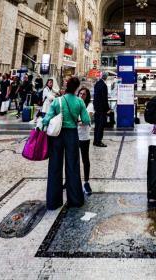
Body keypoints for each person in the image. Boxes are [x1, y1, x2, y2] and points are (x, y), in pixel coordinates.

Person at [42, 77, 91, 210]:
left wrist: (40, 127)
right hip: (71, 135)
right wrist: (78, 120)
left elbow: (47, 118)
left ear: (67, 86)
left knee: (55, 166)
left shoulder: (57, 101)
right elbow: (86, 119)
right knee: (73, 166)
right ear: (76, 88)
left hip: (56, 136)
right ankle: (75, 200)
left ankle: (53, 201)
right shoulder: (79, 101)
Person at [77, 87, 94, 195]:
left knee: (85, 159)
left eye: (84, 94)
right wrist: (80, 120)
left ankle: (86, 181)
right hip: (74, 135)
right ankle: (71, 180)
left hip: (84, 136)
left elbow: (87, 119)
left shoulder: (90, 106)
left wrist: (78, 120)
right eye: (80, 93)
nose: (82, 96)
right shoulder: (75, 104)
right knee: (72, 159)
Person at [93, 72, 111, 147]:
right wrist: (107, 108)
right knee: (101, 125)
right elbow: (104, 98)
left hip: (97, 108)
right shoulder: (104, 85)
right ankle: (98, 141)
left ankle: (95, 140)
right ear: (106, 77)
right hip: (102, 109)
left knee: (97, 125)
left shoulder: (97, 83)